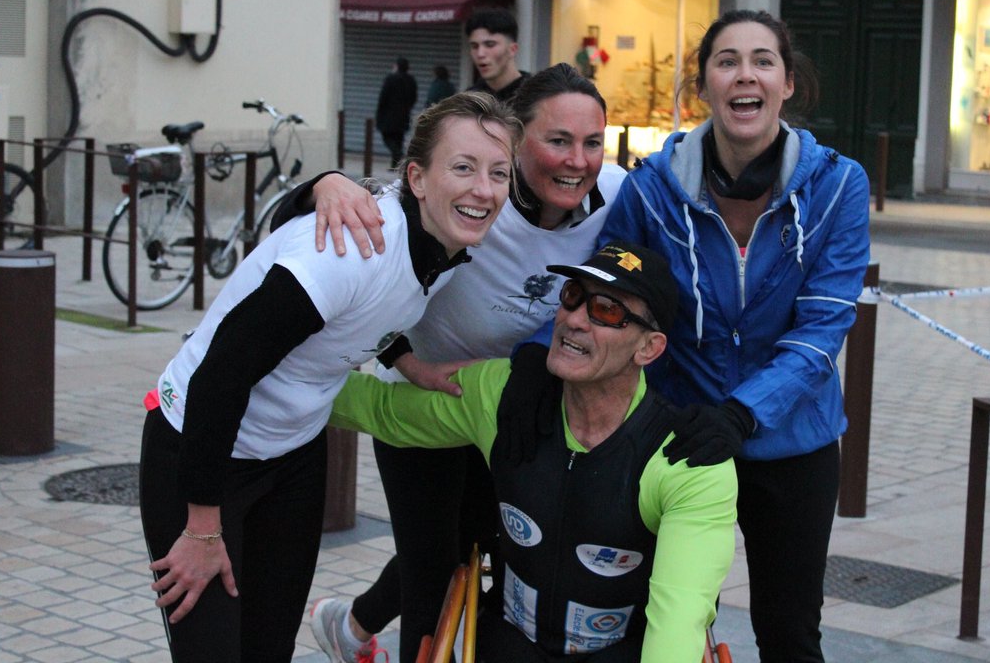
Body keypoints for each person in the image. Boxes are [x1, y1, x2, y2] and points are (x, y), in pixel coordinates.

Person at [137, 91, 520, 663]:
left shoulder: (442, 243)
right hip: (200, 451)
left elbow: (377, 314)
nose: (483, 189)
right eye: (462, 168)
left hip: (292, 456)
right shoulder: (352, 250)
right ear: (416, 177)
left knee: (268, 650)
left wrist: (412, 365)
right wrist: (200, 529)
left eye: (498, 173)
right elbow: (220, 372)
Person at [273, 63, 627, 663]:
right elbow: (367, 267)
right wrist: (324, 184)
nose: (577, 160)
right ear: (516, 142)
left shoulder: (617, 194)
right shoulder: (474, 195)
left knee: (497, 555)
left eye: (592, 142)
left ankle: (351, 624)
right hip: (426, 399)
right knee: (433, 571)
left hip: (515, 407)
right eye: (558, 140)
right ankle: (369, 630)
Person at [595, 10, 871, 662]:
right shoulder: (650, 189)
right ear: (703, 85)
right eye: (726, 60)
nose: (745, 74)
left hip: (793, 441)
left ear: (787, 83)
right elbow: (611, 292)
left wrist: (744, 413)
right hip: (680, 436)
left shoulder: (838, 187)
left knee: (789, 631)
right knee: (665, 623)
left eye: (762, 60)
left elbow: (826, 322)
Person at [326, 241, 737, 663]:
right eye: (573, 297)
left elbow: (679, 621)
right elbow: (381, 411)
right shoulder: (502, 396)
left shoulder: (687, 460)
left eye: (607, 311)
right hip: (507, 646)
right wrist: (274, 382)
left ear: (648, 348)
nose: (575, 319)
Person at [466, 7, 529, 102]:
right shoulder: (469, 100)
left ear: (512, 49)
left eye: (490, 45)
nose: (480, 53)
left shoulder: (535, 98)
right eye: (474, 46)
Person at [376, 56, 419, 168]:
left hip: (389, 114)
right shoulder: (411, 80)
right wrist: (407, 108)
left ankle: (398, 156)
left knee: (388, 137)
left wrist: (380, 113)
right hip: (404, 114)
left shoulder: (391, 78)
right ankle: (395, 165)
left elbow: (383, 97)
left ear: (397, 66)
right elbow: (414, 97)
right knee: (398, 139)